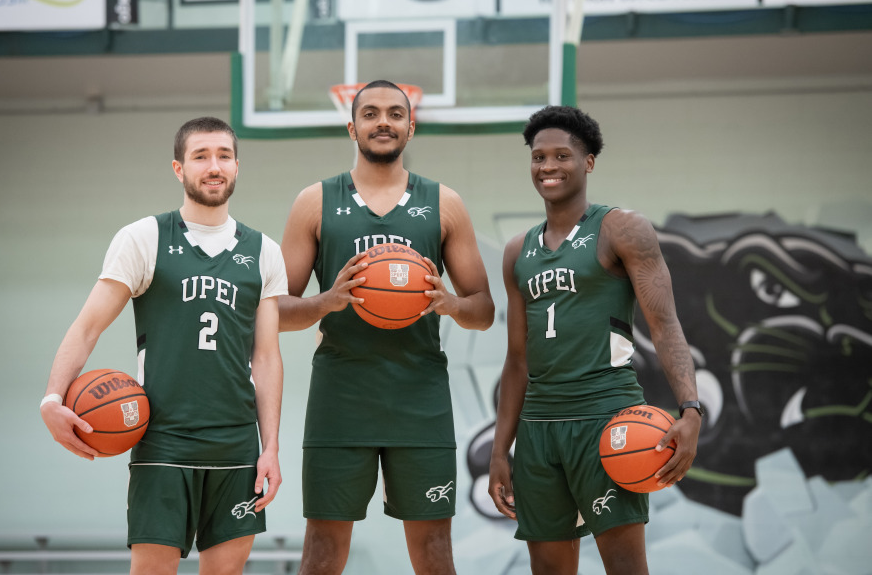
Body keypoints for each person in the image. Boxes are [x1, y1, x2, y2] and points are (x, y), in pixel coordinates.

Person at [40, 116, 288, 575]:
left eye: (224, 156)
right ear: (179, 169)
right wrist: (53, 397)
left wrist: (270, 446)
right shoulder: (144, 238)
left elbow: (267, 356)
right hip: (163, 442)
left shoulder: (265, 251)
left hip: (236, 446)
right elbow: (87, 326)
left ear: (237, 166)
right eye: (201, 156)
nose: (214, 166)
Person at [278, 80, 495, 575]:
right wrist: (326, 301)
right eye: (371, 113)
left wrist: (450, 304)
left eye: (396, 114)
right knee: (324, 546)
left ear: (411, 126)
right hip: (341, 394)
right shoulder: (315, 202)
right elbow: (275, 311)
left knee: (435, 546)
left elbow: (483, 309)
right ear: (351, 126)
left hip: (419, 395)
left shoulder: (445, 203)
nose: (384, 122)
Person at [487, 105, 702, 575]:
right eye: (538, 157)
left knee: (625, 567)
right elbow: (517, 360)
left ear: (588, 162)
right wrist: (501, 450)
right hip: (540, 429)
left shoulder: (622, 229)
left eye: (562, 156)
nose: (548, 167)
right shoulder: (515, 252)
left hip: (606, 418)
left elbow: (665, 325)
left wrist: (691, 410)